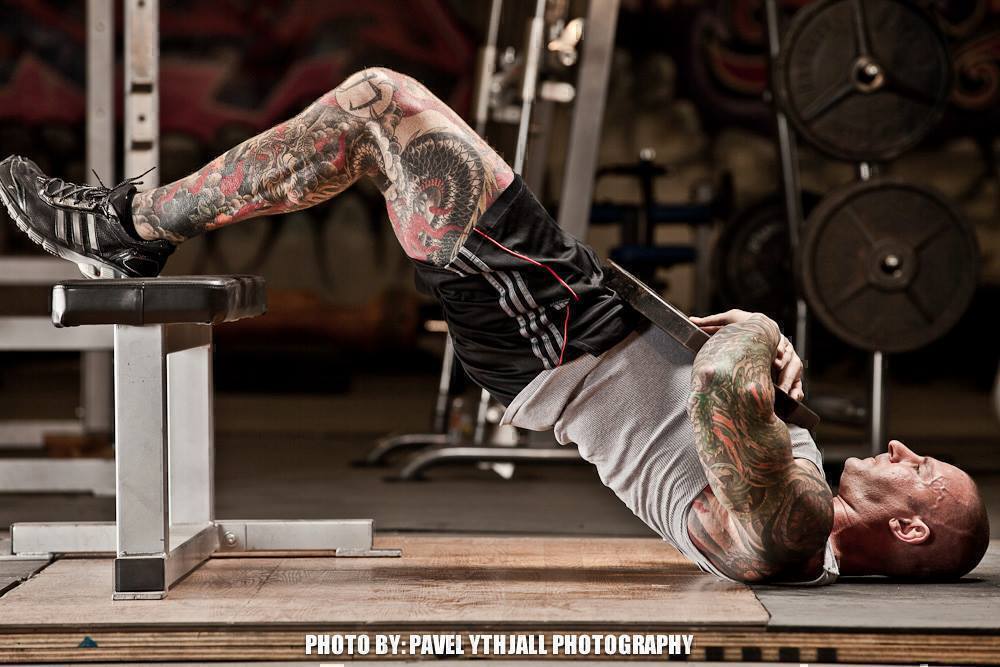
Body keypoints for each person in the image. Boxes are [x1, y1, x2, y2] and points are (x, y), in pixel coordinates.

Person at [0, 67, 989, 584]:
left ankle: (127, 228)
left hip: (556, 336)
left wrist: (759, 333)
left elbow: (725, 383)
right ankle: (135, 227)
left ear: (909, 525)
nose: (905, 448)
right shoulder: (797, 506)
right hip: (571, 318)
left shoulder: (796, 532)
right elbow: (717, 390)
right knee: (370, 133)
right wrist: (736, 353)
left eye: (924, 470)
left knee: (382, 102)